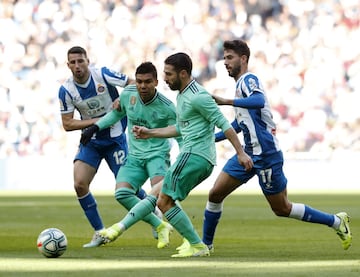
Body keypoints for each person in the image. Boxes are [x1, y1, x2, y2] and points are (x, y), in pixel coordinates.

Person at [200, 39, 352, 252]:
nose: (225, 62)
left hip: (267, 155)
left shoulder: (248, 79)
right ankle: (205, 246)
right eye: (224, 58)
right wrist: (212, 138)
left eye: (230, 57)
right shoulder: (238, 86)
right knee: (215, 194)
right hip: (248, 153)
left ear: (243, 59)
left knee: (282, 208)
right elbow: (240, 124)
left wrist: (226, 101)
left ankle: (336, 221)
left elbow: (258, 100)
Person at [128, 52, 253, 258]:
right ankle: (192, 243)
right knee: (165, 199)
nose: (165, 79)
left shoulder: (199, 96)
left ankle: (196, 244)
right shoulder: (183, 95)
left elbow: (224, 124)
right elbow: (180, 128)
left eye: (168, 74)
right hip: (197, 157)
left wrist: (240, 153)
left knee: (163, 201)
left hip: (195, 155)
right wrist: (149, 132)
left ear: (183, 73)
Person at [80, 61, 180, 249]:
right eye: (140, 81)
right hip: (134, 156)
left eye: (148, 82)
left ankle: (189, 239)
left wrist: (184, 157)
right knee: (122, 194)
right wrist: (95, 126)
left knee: (163, 198)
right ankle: (160, 225)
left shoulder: (167, 107)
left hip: (157, 156)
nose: (142, 86)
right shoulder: (128, 95)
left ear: (156, 82)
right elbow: (116, 115)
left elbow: (180, 131)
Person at [58, 46, 147, 248]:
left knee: (128, 188)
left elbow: (134, 84)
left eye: (80, 61)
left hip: (115, 140)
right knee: (80, 184)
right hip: (91, 141)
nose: (77, 66)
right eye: (73, 62)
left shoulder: (104, 74)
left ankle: (153, 210)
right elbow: (68, 123)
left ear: (88, 61)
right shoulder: (66, 90)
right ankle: (100, 232)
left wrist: (122, 100)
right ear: (68, 65)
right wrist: (98, 121)